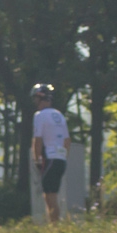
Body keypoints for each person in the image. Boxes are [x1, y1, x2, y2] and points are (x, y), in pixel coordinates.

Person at [32, 83, 69, 225]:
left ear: (40, 98)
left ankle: (55, 227)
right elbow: (67, 140)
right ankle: (56, 225)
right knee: (54, 194)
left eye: (35, 98)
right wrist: (64, 156)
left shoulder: (39, 115)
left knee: (49, 196)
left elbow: (38, 139)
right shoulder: (59, 115)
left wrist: (37, 159)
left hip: (49, 157)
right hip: (60, 159)